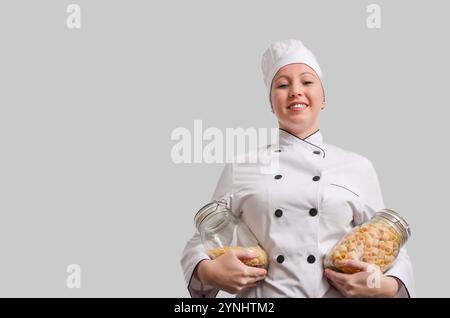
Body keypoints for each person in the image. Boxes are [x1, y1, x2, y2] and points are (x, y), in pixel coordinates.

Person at [180, 39, 415, 298]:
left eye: (307, 82)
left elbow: (389, 244)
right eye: (282, 85)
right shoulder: (241, 166)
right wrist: (207, 271)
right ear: (271, 103)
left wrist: (388, 286)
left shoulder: (358, 167)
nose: (295, 91)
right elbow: (202, 239)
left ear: (323, 98)